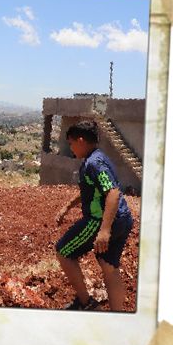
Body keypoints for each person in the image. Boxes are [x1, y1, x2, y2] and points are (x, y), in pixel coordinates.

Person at [54, 121, 133, 312]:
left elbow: (112, 192)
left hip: (101, 220)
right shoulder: (99, 158)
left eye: (71, 143)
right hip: (123, 218)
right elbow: (91, 190)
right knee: (108, 266)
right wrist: (67, 207)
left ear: (80, 140)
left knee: (63, 251)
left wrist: (104, 230)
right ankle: (117, 315)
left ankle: (86, 303)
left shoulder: (93, 164)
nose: (71, 148)